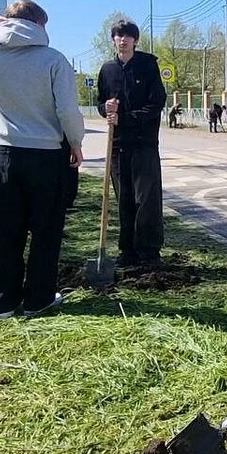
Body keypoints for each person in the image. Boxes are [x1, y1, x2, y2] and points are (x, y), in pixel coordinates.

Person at [0, 0, 84, 320]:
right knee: (46, 231)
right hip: (47, 156)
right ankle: (38, 300)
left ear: (8, 22)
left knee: (4, 230)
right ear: (39, 25)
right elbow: (67, 111)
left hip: (4, 155)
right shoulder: (54, 60)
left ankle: (4, 302)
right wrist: (75, 142)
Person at [96, 20, 168, 273]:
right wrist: (106, 108)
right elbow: (100, 103)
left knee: (146, 199)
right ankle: (127, 251)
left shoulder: (147, 66)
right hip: (117, 146)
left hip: (143, 144)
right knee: (123, 198)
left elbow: (156, 102)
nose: (123, 40)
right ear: (113, 40)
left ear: (135, 40)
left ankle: (149, 251)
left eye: (128, 36)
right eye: (118, 35)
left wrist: (125, 118)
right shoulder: (106, 70)